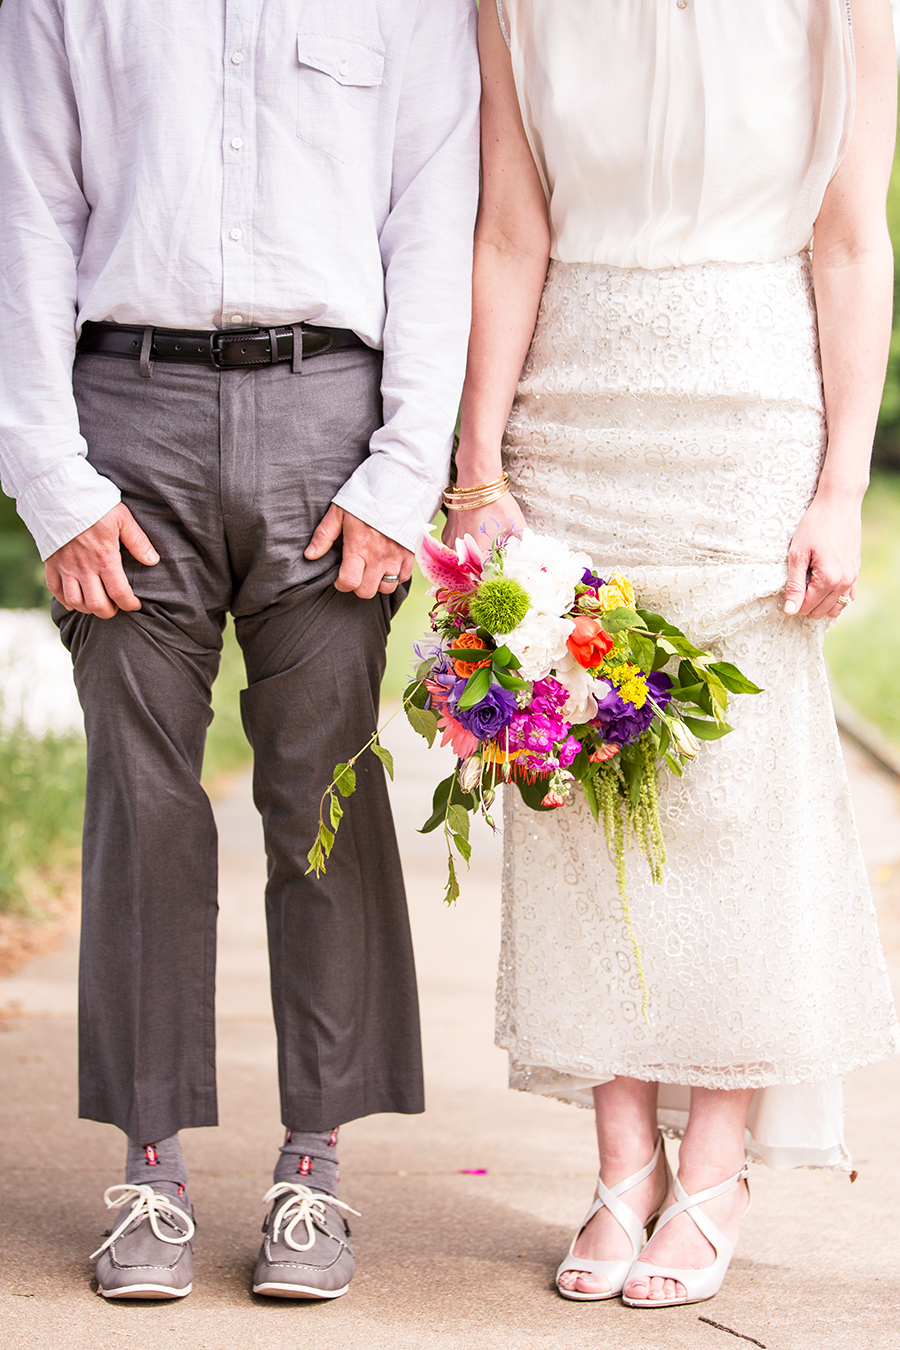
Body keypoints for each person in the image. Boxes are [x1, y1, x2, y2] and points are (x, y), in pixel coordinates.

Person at [0, 0, 478, 1302]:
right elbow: (26, 210)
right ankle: (148, 1173)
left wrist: (402, 474)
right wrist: (49, 474)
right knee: (142, 800)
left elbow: (434, 220)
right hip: (123, 421)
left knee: (321, 790)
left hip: (334, 420)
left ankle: (312, 1171)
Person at [445, 0, 900, 1309]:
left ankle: (718, 1160)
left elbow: (853, 239)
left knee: (739, 803)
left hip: (752, 418)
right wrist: (480, 474)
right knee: (585, 774)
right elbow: (510, 229)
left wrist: (839, 486)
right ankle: (620, 1157)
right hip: (572, 414)